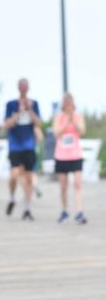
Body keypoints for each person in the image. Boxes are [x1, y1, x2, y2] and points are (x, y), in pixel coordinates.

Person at [4, 78, 41, 220]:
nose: (24, 89)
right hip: (15, 146)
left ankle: (27, 209)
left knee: (28, 178)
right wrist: (19, 112)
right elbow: (7, 124)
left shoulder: (34, 104)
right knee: (14, 175)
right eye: (22, 86)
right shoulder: (11, 104)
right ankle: (12, 197)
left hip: (29, 146)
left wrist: (30, 109)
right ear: (18, 88)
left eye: (26, 86)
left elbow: (38, 123)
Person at [53, 93, 87, 224]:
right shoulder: (58, 117)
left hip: (75, 155)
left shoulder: (78, 116)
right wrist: (66, 123)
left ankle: (79, 212)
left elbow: (82, 131)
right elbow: (56, 132)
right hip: (61, 156)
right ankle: (64, 211)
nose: (68, 105)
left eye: (70, 102)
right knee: (63, 186)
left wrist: (74, 121)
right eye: (66, 102)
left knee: (77, 183)